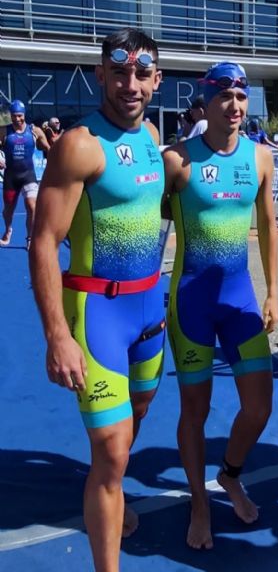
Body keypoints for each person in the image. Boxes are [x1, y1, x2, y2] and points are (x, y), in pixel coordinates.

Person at [29, 28, 166, 572]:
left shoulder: (154, 137)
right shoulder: (79, 144)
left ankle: (111, 493)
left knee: (130, 428)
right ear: (102, 74)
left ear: (155, 80)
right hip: (97, 313)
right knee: (111, 451)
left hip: (148, 314)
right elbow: (43, 242)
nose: (129, 83)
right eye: (119, 71)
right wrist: (56, 334)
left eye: (141, 73)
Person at [162, 61, 278, 550]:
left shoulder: (260, 159)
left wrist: (274, 290)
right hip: (190, 301)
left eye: (241, 98)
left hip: (239, 299)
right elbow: (154, 215)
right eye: (224, 97)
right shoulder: (178, 160)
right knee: (196, 410)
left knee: (259, 406)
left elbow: (270, 224)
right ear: (205, 103)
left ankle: (230, 474)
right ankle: (199, 500)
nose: (234, 107)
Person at [0, 100, 49, 249]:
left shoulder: (35, 131)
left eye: (19, 116)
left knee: (32, 206)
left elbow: (47, 147)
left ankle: (29, 237)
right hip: (11, 177)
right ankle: (8, 229)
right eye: (14, 116)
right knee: (8, 211)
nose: (16, 119)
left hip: (28, 175)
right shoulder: (4, 131)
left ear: (24, 115)